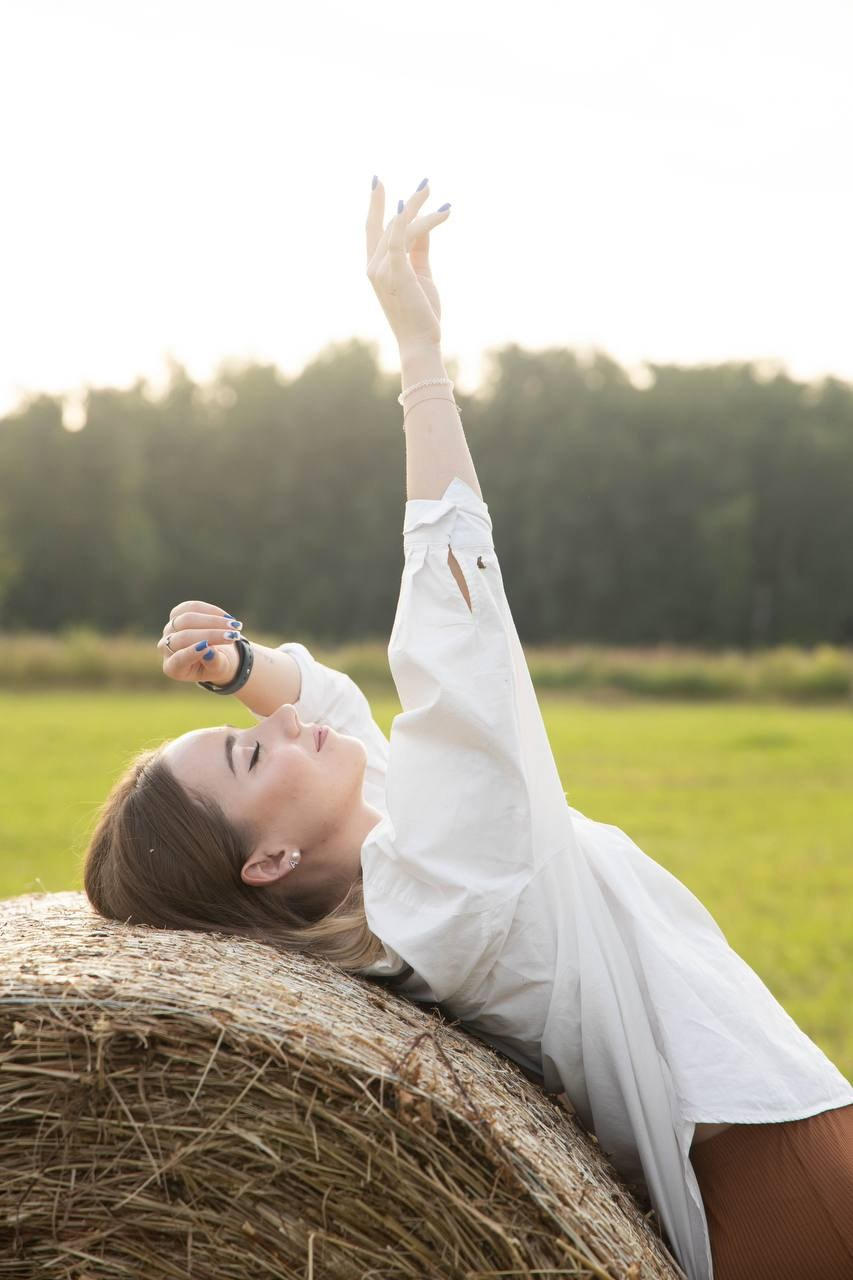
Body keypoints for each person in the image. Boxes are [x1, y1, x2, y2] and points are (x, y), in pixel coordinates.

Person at [83, 176, 853, 1280]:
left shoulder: (400, 874)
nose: (286, 724)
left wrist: (245, 672)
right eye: (251, 751)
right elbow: (453, 625)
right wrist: (420, 358)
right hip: (786, 1178)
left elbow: (337, 712)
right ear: (270, 860)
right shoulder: (441, 886)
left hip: (776, 1147)